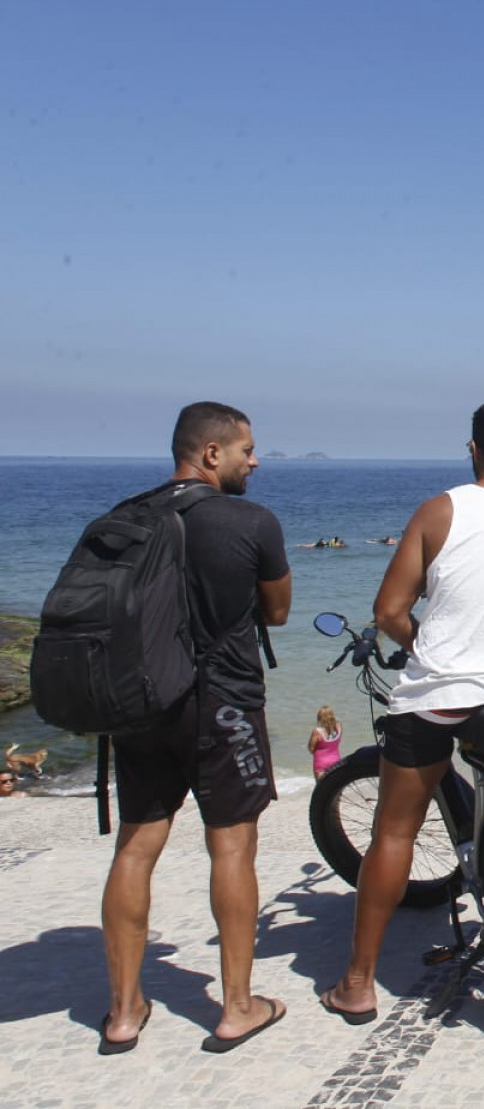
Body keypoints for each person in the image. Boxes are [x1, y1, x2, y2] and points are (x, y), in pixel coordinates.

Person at [321, 399, 484, 1030]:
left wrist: (424, 649)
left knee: (395, 832)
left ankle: (357, 984)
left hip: (441, 696)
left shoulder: (441, 510)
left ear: (472, 448)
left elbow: (388, 612)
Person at [102, 402, 291, 1055]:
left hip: (140, 705)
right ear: (210, 454)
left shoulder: (127, 516)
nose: (255, 459)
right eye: (246, 448)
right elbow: (280, 610)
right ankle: (236, 1006)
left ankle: (123, 1011)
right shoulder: (251, 520)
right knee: (232, 849)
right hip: (224, 706)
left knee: (135, 848)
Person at [309, 706, 343, 780]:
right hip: (336, 762)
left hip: (321, 764)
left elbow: (311, 749)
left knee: (322, 790)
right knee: (337, 789)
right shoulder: (339, 727)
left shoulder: (317, 732)